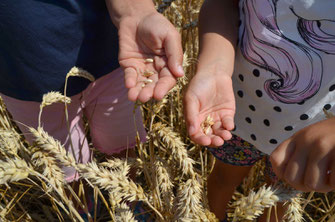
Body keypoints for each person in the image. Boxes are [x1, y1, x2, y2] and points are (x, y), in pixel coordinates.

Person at [0, 0, 183, 217]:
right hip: (24, 82)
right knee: (64, 166)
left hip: (112, 60)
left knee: (121, 144)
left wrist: (137, 12)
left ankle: (127, 201)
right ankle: (83, 211)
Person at [184, 0, 335, 221]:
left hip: (307, 138)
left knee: (278, 198)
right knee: (223, 179)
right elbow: (222, 4)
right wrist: (214, 68)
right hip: (236, 113)